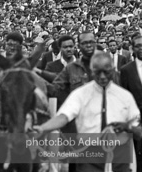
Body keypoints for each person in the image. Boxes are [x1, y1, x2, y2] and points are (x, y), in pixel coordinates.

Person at [35, 51, 142, 172]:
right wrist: (42, 128)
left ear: (113, 70)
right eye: (97, 72)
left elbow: (138, 131)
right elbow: (64, 117)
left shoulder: (125, 96)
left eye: (106, 72)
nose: (102, 76)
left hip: (119, 158)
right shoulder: (81, 94)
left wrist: (127, 126)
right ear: (91, 71)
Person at [120, 35, 142, 172]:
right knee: (138, 155)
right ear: (133, 49)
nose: (141, 48)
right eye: (138, 46)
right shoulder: (126, 70)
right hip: (136, 120)